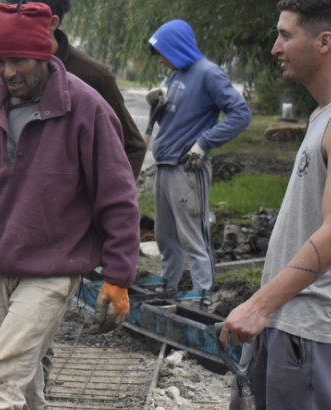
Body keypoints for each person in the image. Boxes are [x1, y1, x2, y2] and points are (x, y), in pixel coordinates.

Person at [0, 3, 141, 409]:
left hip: (52, 271)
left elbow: (118, 199)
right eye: (0, 61)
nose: (8, 72)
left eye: (19, 61)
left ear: (45, 54)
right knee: (23, 384)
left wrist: (118, 275)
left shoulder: (86, 108)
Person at [220, 1, 331, 409]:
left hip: (313, 327)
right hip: (287, 320)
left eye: (285, 35)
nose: (275, 48)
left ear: (324, 42)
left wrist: (258, 305)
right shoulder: (325, 115)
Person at [0, 0, 148, 179]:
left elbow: (131, 147)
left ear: (51, 23)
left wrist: (106, 198)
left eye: (19, 60)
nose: (9, 72)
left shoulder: (93, 76)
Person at [146, 19, 251, 311]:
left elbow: (240, 113)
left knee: (193, 234)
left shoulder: (209, 73)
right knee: (165, 235)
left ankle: (202, 295)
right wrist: (157, 104)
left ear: (177, 47)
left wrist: (204, 143)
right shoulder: (178, 74)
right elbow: (180, 117)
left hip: (187, 167)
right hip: (165, 163)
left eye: (161, 51)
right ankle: (169, 286)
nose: (159, 58)